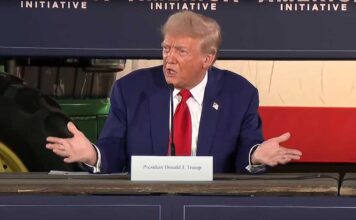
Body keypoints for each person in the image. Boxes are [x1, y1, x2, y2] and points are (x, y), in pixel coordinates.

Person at [46, 10, 302, 173]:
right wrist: (93, 154)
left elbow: (244, 152)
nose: (169, 59)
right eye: (166, 48)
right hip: (147, 203)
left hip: (210, 205)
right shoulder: (131, 90)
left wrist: (255, 156)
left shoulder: (239, 94)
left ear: (207, 59)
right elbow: (114, 149)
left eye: (181, 51)